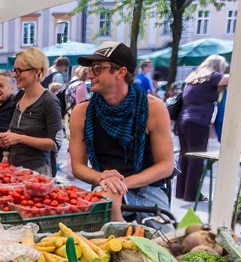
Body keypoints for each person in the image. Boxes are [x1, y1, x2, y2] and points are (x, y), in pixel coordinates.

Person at [68, 41, 175, 224]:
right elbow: (78, 167)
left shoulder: (153, 108)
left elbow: (166, 165)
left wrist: (122, 184)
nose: (90, 74)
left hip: (147, 189)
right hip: (103, 185)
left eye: (97, 68)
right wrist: (104, 178)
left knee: (164, 245)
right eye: (90, 69)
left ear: (121, 72)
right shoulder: (81, 112)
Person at [0, 48, 62, 176]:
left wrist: (20, 138)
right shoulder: (18, 97)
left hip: (38, 172)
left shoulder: (49, 101)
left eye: (19, 71)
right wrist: (8, 137)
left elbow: (55, 143)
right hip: (15, 169)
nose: (14, 75)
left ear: (37, 71)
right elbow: (15, 131)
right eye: (14, 70)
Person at [174, 54, 229, 202]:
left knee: (184, 156)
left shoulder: (193, 78)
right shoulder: (212, 76)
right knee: (196, 159)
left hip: (182, 121)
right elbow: (230, 79)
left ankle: (181, 192)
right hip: (197, 122)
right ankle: (192, 194)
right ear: (218, 67)